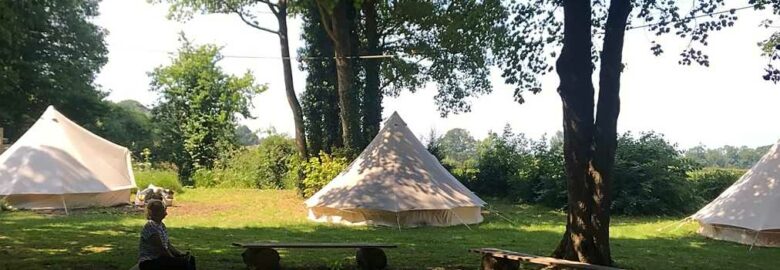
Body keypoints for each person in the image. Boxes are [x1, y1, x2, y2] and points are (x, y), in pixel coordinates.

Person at [138, 200, 196, 270]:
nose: (166, 213)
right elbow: (161, 249)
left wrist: (180, 254)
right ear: (156, 213)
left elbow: (168, 245)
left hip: (160, 259)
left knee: (190, 259)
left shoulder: (161, 225)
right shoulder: (151, 227)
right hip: (150, 262)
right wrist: (174, 259)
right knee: (183, 263)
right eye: (163, 211)